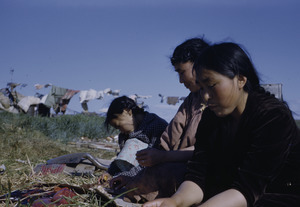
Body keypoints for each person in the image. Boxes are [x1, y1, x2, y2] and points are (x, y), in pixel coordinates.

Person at [143, 42, 300, 207]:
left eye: (211, 85)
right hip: (235, 194)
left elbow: (248, 188)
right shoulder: (212, 117)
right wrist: (175, 201)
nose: (205, 96)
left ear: (240, 80)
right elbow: (198, 176)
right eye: (201, 87)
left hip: (281, 195)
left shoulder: (272, 116)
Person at [108, 38, 209, 202]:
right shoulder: (191, 100)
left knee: (165, 173)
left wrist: (163, 157)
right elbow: (167, 141)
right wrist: (134, 177)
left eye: (182, 72)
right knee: (152, 174)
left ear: (199, 65)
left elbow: (205, 150)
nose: (180, 80)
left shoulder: (215, 101)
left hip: (199, 172)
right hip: (176, 165)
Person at [100, 96, 168, 188]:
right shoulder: (125, 135)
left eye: (119, 126)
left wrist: (127, 176)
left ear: (127, 111)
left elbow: (153, 161)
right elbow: (121, 159)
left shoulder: (156, 125)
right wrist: (109, 173)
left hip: (153, 173)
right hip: (127, 176)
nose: (121, 131)